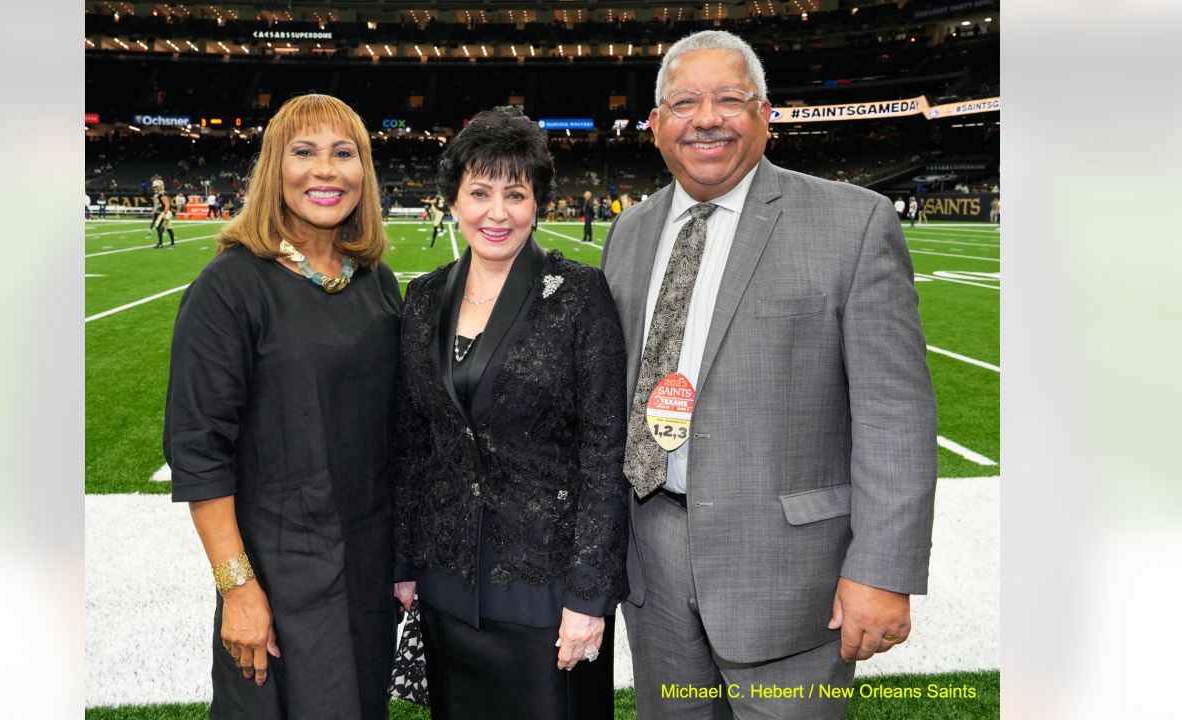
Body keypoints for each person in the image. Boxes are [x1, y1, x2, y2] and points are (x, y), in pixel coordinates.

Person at [599, 30, 937, 719]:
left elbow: (894, 413)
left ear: (765, 114)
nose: (707, 118)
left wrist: (881, 569)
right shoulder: (630, 231)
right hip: (653, 560)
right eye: (684, 103)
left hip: (790, 572)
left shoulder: (852, 222)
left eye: (730, 99)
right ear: (658, 125)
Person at [163, 93, 400, 720]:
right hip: (277, 575)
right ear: (275, 168)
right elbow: (199, 451)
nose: (325, 171)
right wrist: (238, 588)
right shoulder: (229, 287)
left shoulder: (375, 282)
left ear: (363, 172)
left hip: (367, 572)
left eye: (343, 154)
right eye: (304, 152)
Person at [392, 106, 628, 720]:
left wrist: (588, 595)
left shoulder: (577, 294)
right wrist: (404, 563)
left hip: (545, 591)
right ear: (453, 200)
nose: (497, 213)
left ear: (537, 203)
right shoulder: (422, 297)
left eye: (515, 194)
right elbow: (415, 441)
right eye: (479, 192)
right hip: (447, 585)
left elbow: (605, 452)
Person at [150, 178, 177, 248]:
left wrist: (164, 213)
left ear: (160, 186)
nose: (155, 188)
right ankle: (172, 244)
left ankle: (160, 244)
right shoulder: (160, 194)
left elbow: (167, 205)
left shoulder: (162, 194)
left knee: (158, 225)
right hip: (166, 212)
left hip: (166, 212)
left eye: (156, 187)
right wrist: (155, 210)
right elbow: (161, 204)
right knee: (168, 228)